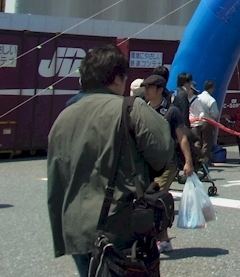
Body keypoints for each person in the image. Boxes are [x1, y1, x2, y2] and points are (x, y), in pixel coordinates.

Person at [47, 45, 174, 277]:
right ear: (117, 78)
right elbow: (163, 152)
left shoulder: (63, 117)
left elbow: (56, 179)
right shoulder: (130, 108)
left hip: (76, 228)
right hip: (121, 227)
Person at [142, 73, 195, 253]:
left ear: (159, 90)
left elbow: (182, 138)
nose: (146, 91)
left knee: (154, 197)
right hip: (146, 162)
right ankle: (160, 238)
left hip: (167, 163)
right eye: (145, 87)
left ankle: (159, 239)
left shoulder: (171, 111)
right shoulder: (143, 108)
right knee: (147, 200)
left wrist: (188, 162)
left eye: (149, 88)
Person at [190, 79, 220, 164]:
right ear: (211, 88)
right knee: (207, 142)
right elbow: (215, 114)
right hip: (208, 122)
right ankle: (204, 161)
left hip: (196, 122)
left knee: (198, 141)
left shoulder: (197, 98)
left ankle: (196, 158)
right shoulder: (211, 100)